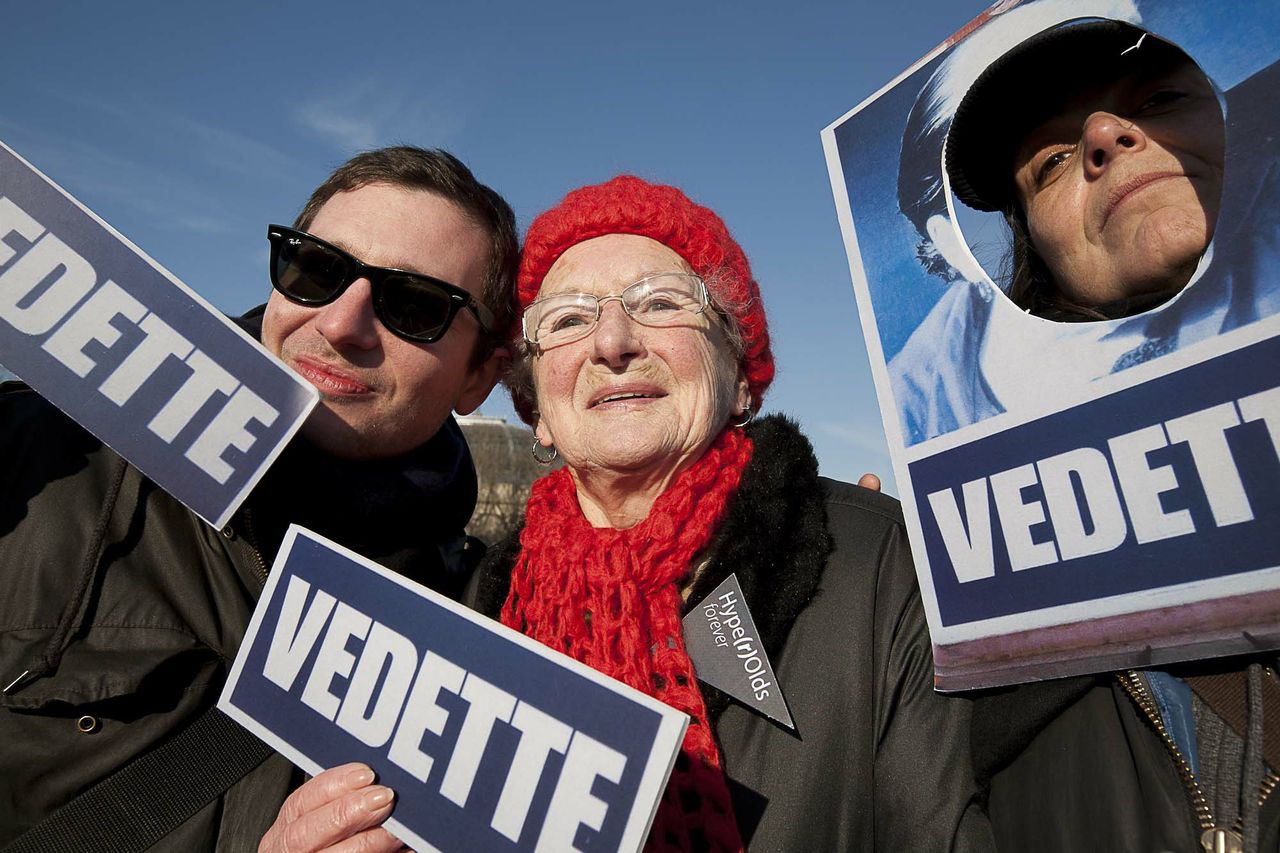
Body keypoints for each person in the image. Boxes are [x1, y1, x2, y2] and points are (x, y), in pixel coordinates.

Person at [264, 175, 989, 852]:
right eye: (571, 319)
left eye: (661, 302)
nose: (614, 343)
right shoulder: (461, 615)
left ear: (738, 377)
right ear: (538, 408)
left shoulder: (885, 564)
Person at [0, 146, 517, 850]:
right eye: (317, 269)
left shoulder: (486, 626)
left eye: (414, 305)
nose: (339, 324)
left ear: (479, 377)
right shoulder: (40, 455)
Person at [939, 22, 1280, 853]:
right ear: (1034, 249)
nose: (1101, 136)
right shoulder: (963, 591)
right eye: (1050, 161)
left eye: (1158, 99)